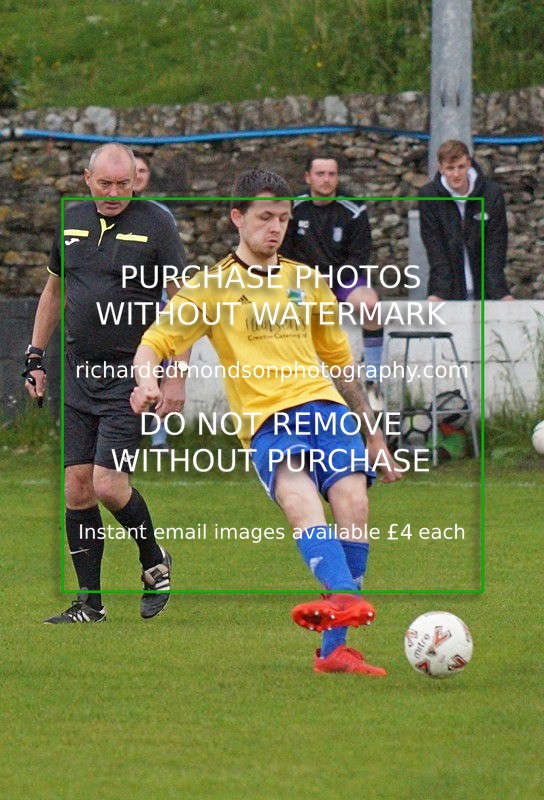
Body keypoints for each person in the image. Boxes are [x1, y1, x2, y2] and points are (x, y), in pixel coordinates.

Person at [131, 169, 402, 675]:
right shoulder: (209, 288)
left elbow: (342, 366)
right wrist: (147, 381)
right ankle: (344, 604)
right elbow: (155, 341)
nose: (275, 228)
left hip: (328, 411)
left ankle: (333, 651)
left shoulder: (308, 282)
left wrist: (374, 432)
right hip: (268, 424)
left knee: (354, 503)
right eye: (264, 217)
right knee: (303, 508)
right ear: (238, 218)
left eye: (283, 218)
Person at [23, 143, 189, 623]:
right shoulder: (69, 219)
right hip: (79, 374)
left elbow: (183, 304)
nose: (116, 192)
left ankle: (154, 560)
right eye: (106, 183)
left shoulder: (157, 223)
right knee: (77, 488)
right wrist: (35, 356)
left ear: (137, 180)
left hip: (131, 376)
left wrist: (175, 374)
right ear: (87, 179)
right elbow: (54, 291)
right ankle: (89, 604)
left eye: (125, 183)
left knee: (109, 485)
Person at [280, 155, 384, 407]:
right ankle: (294, 380)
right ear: (308, 177)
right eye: (320, 174)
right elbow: (283, 254)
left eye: (331, 174)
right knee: (286, 312)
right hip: (305, 281)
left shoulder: (353, 208)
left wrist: (334, 277)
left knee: (370, 304)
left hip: (342, 279)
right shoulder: (294, 208)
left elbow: (360, 255)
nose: (326, 179)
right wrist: (309, 277)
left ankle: (373, 378)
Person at [419, 139, 513, 301]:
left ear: (469, 164)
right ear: (440, 169)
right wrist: (439, 292)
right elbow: (435, 248)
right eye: (450, 168)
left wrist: (499, 291)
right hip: (447, 288)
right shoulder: (429, 197)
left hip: (487, 287)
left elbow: (496, 246)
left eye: (461, 167)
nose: (456, 174)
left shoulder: (491, 193)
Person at [133, 151, 173, 449]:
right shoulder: (97, 214)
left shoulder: (161, 214)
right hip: (119, 305)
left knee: (158, 365)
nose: (137, 176)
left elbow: (171, 264)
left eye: (142, 171)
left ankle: (158, 435)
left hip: (155, 301)